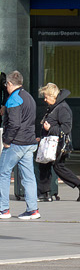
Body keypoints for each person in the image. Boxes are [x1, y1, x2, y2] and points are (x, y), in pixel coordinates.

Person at [0, 71, 40, 220]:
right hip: (29, 142)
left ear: (10, 84)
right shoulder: (29, 97)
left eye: (6, 85)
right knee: (29, 176)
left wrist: (7, 141)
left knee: (3, 173)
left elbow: (14, 124)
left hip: (16, 143)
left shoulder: (13, 99)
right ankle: (33, 209)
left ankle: (3, 209)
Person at [37, 83, 80, 201]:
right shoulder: (55, 107)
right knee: (46, 166)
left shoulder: (62, 108)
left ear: (52, 95)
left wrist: (50, 129)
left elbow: (66, 128)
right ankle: (45, 193)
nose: (44, 100)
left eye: (46, 97)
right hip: (52, 143)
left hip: (58, 144)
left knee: (56, 167)